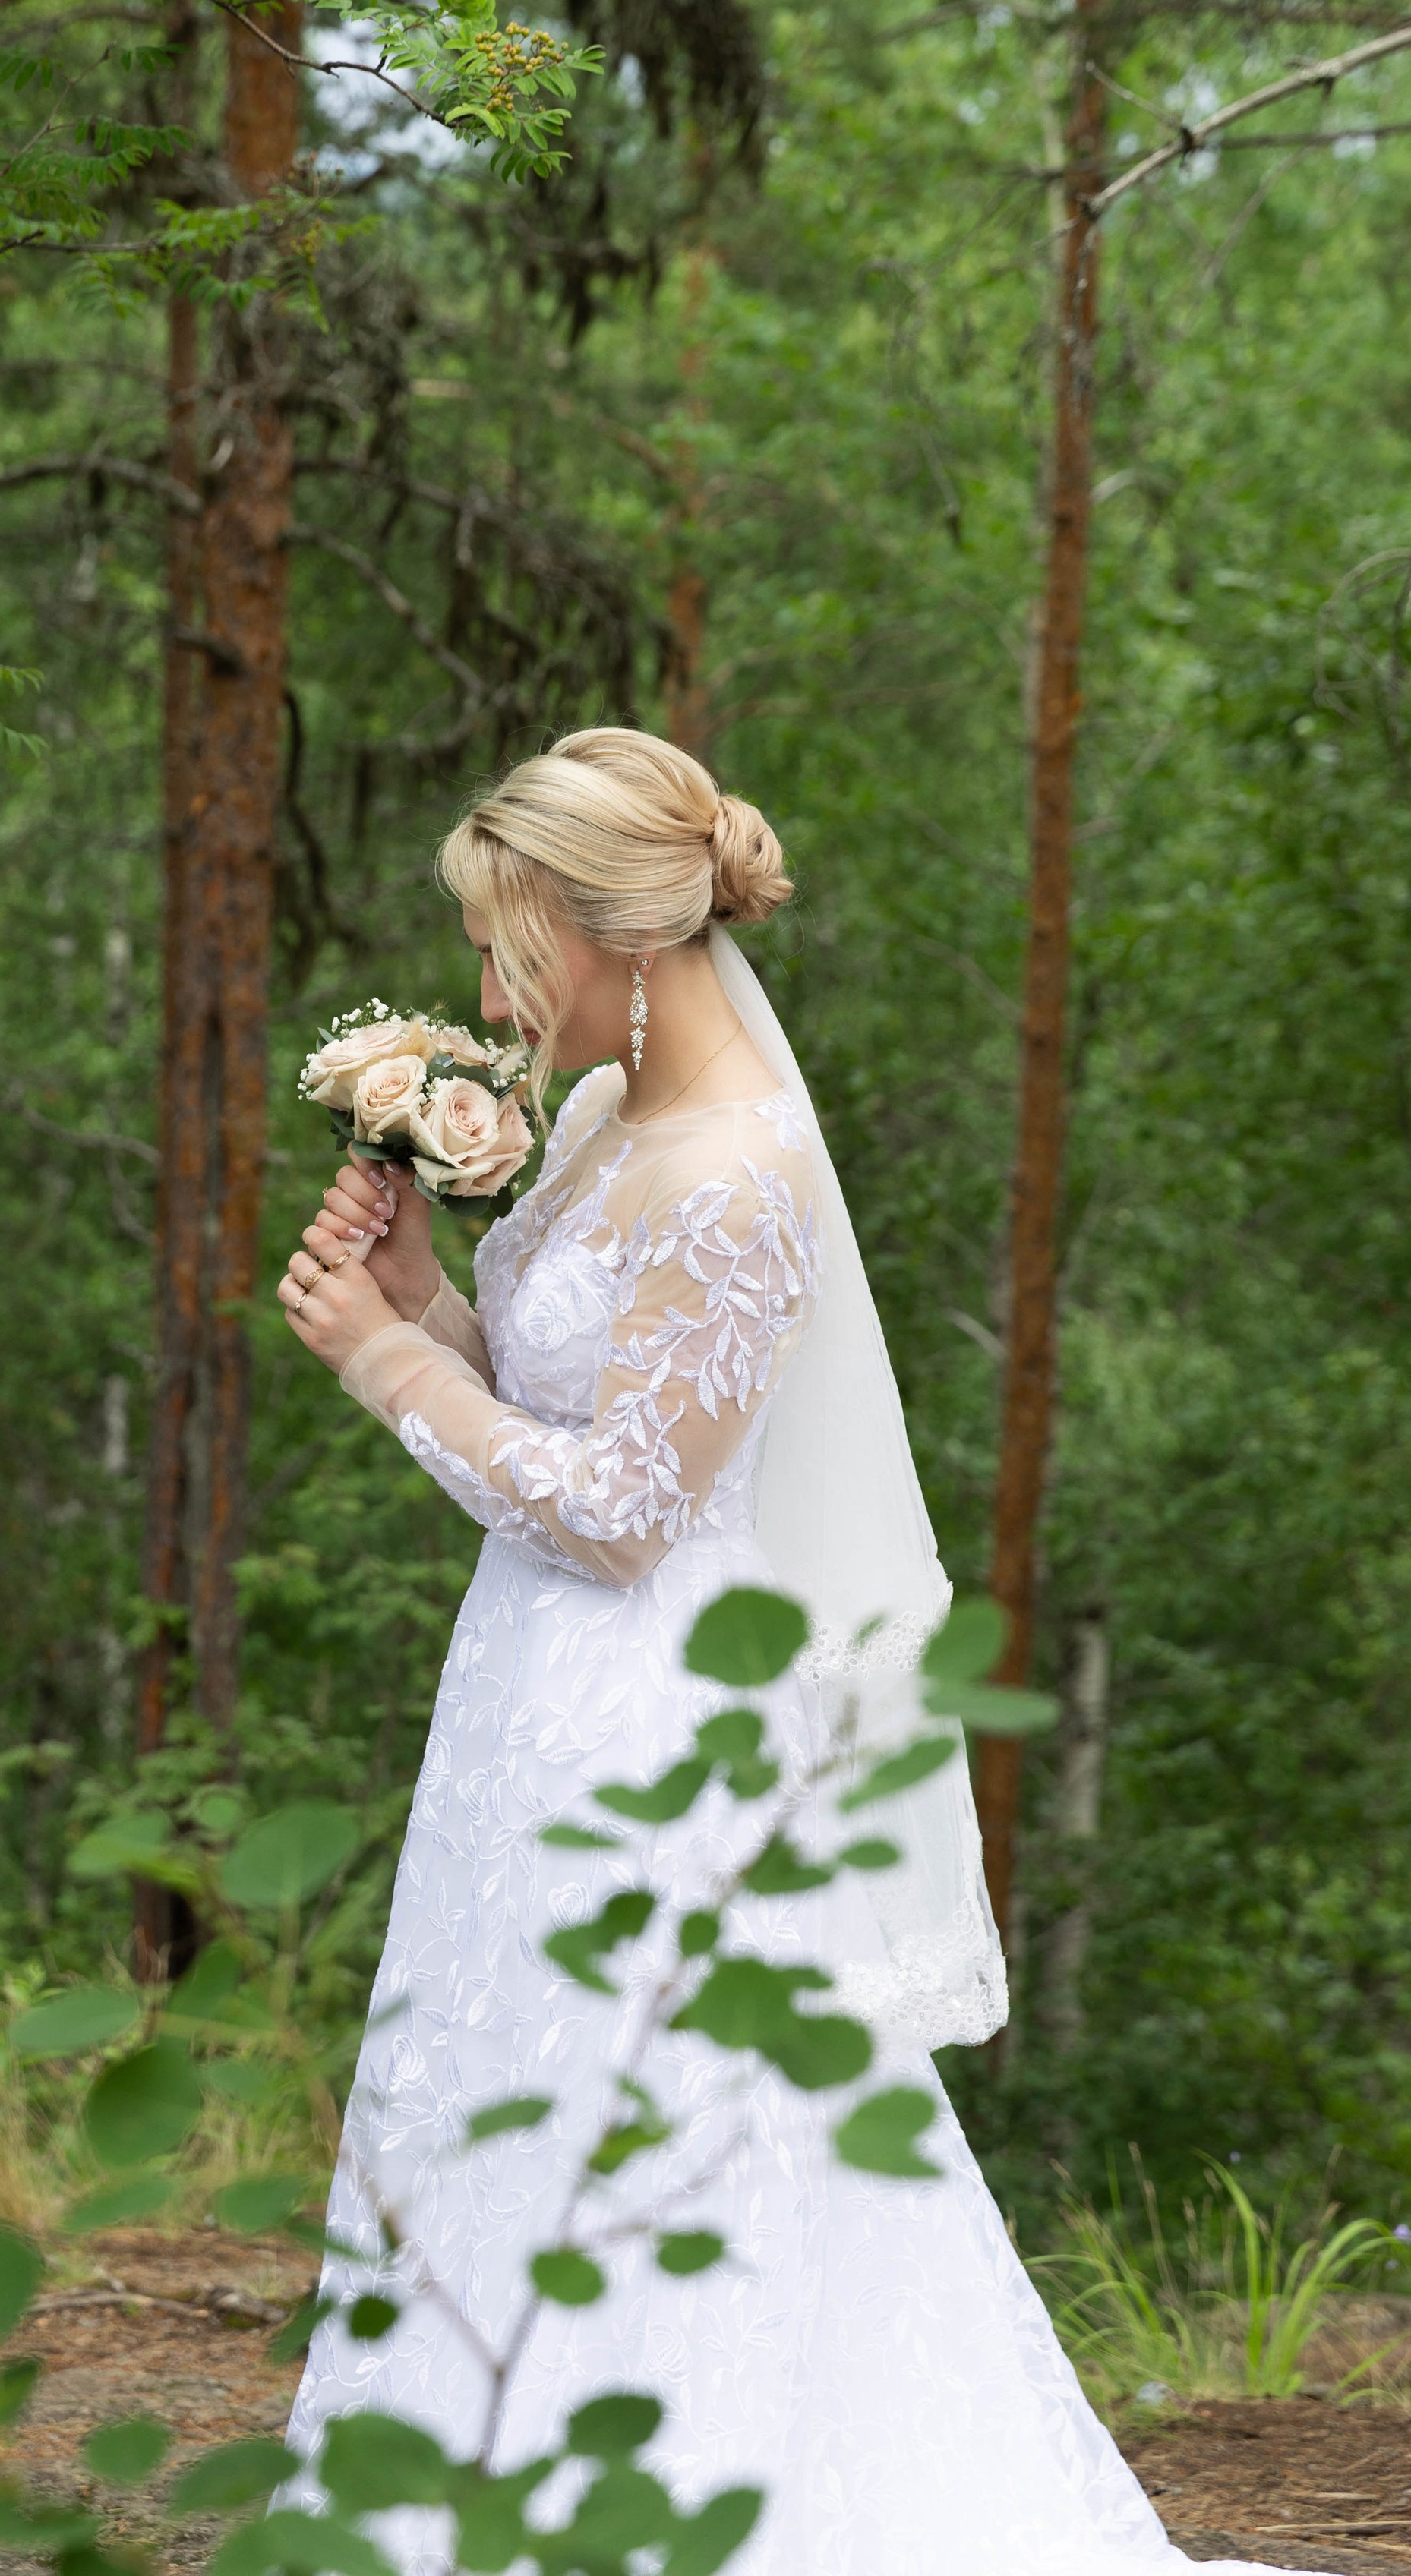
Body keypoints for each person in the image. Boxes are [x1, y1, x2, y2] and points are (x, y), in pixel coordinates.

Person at [273, 727, 1295, 2576]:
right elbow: (563, 1415)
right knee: (494, 2101)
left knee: (663, 2126)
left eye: (513, 944)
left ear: (617, 943)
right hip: (524, 1696)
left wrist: (381, 1361)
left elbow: (623, 1510)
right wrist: (427, 1296)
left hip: (659, 1721)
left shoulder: (734, 1173)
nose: (493, 994)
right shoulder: (596, 1126)